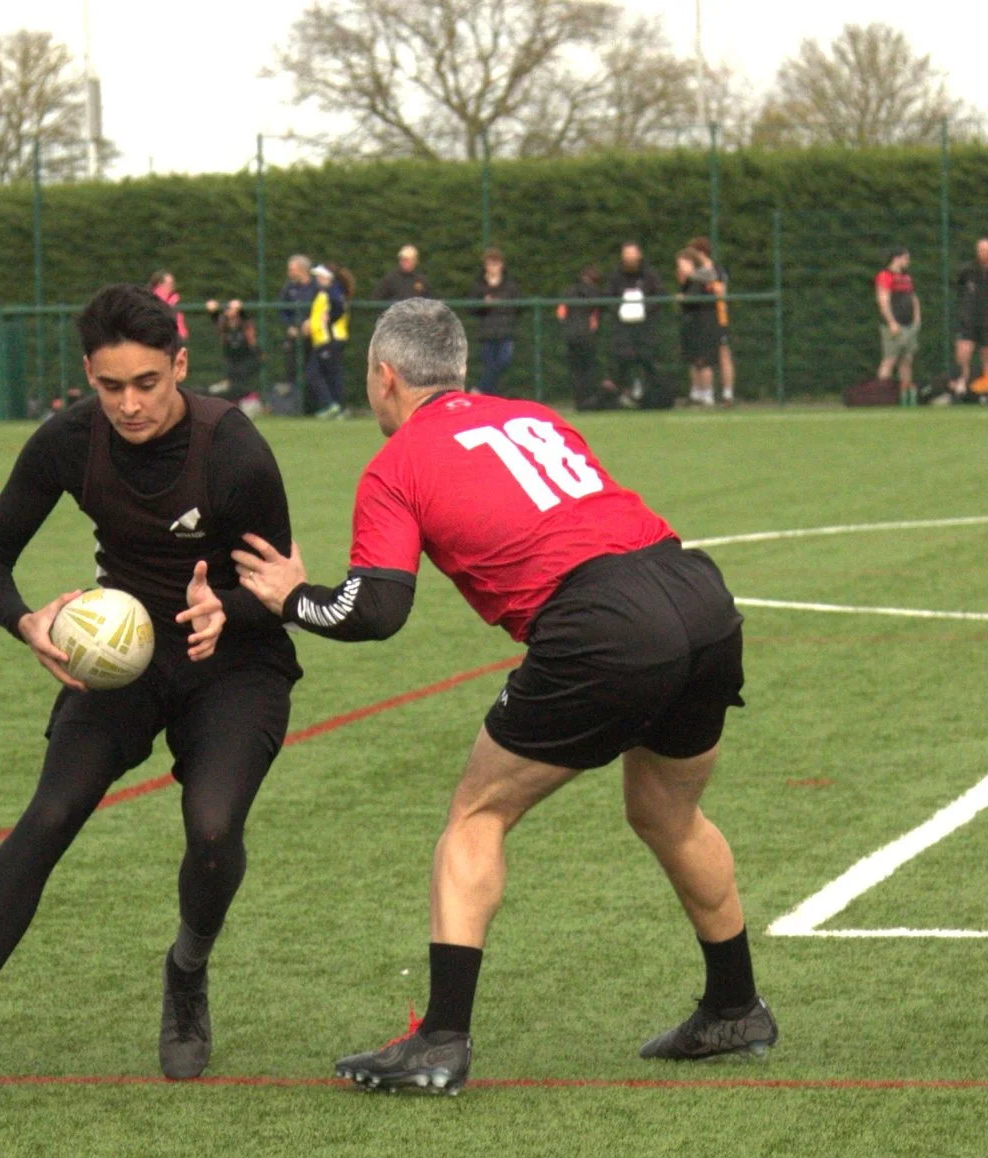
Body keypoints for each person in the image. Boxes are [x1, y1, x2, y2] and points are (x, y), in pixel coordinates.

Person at [228, 299, 765, 1094]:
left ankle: (441, 1040)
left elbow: (376, 610)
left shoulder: (397, 463)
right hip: (698, 595)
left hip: (603, 622)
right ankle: (735, 1006)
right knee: (668, 811)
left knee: (477, 815)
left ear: (384, 376)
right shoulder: (532, 416)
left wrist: (290, 599)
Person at [0, 285, 300, 1114]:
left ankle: (186, 971)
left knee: (214, 828)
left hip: (234, 662)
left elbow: (279, 587)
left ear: (180, 364)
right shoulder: (69, 440)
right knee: (49, 814)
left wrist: (228, 608)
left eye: (147, 382)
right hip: (117, 664)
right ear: (88, 376)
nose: (130, 404)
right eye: (110, 386)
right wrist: (27, 622)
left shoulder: (234, 449)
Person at [951, 237, 988, 400]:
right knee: (963, 353)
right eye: (981, 250)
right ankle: (961, 386)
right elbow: (959, 291)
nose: (984, 253)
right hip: (968, 321)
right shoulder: (967, 271)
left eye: (987, 250)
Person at [606, 242, 662, 406]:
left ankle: (649, 395)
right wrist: (621, 311)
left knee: (647, 358)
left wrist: (644, 310)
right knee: (623, 358)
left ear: (639, 255)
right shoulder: (615, 276)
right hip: (623, 328)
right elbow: (608, 297)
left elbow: (659, 295)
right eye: (627, 254)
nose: (630, 258)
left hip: (645, 327)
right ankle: (623, 394)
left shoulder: (649, 275)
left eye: (633, 253)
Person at [686, 237, 735, 404]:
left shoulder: (717, 271)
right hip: (700, 319)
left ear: (701, 253)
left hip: (718, 318)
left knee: (723, 353)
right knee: (698, 355)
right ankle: (701, 394)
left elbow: (719, 291)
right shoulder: (696, 272)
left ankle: (727, 394)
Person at [467, 248, 521, 395]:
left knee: (503, 361)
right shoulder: (479, 285)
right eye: (490, 264)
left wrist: (503, 305)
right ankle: (488, 397)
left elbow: (519, 306)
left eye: (496, 264)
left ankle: (479, 389)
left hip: (506, 331)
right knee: (489, 365)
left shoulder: (510, 285)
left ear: (501, 265)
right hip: (487, 332)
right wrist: (483, 304)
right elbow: (471, 308)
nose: (493, 267)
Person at [676, 248, 724, 406]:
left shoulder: (701, 278)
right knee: (694, 361)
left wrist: (684, 298)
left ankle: (707, 395)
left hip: (705, 324)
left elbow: (693, 299)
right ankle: (696, 393)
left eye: (683, 264)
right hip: (693, 324)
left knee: (704, 361)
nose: (680, 267)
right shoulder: (690, 280)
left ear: (692, 263)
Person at [558, 264, 609, 409]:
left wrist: (567, 326)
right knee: (589, 368)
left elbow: (561, 313)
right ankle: (588, 400)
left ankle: (578, 400)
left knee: (576, 369)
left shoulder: (569, 291)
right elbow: (597, 315)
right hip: (587, 335)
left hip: (571, 335)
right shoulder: (597, 294)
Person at [874, 247, 920, 405]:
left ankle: (905, 397)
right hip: (894, 326)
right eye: (905, 258)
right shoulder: (885, 276)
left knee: (907, 360)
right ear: (896, 258)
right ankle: (881, 397)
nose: (908, 261)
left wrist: (917, 319)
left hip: (909, 325)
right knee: (889, 359)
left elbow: (913, 297)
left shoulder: (906, 277)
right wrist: (891, 322)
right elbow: (883, 300)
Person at [305, 263, 350, 417]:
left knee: (316, 373)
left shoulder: (332, 292)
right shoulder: (326, 292)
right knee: (330, 374)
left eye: (319, 276)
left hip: (329, 340)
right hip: (323, 340)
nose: (317, 279)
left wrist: (330, 319)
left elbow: (339, 308)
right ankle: (336, 406)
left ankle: (332, 405)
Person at [205, 297, 260, 406]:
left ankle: (248, 400)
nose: (229, 311)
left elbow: (248, 322)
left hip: (246, 358)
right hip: (230, 358)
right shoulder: (224, 323)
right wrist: (214, 311)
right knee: (231, 380)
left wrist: (240, 308)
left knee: (242, 379)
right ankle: (233, 402)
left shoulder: (244, 322)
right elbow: (216, 319)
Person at [278, 254, 317, 397]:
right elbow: (282, 311)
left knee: (314, 370)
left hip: (314, 336)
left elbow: (324, 308)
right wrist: (290, 327)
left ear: (303, 269)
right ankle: (292, 401)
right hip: (294, 336)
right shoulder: (289, 288)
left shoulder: (316, 287)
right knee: (291, 368)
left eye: (292, 269)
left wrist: (312, 322)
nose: (289, 272)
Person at [148, 270, 189, 342]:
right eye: (169, 283)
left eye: (173, 283)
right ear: (159, 284)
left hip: (176, 340)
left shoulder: (175, 300)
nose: (172, 286)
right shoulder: (151, 299)